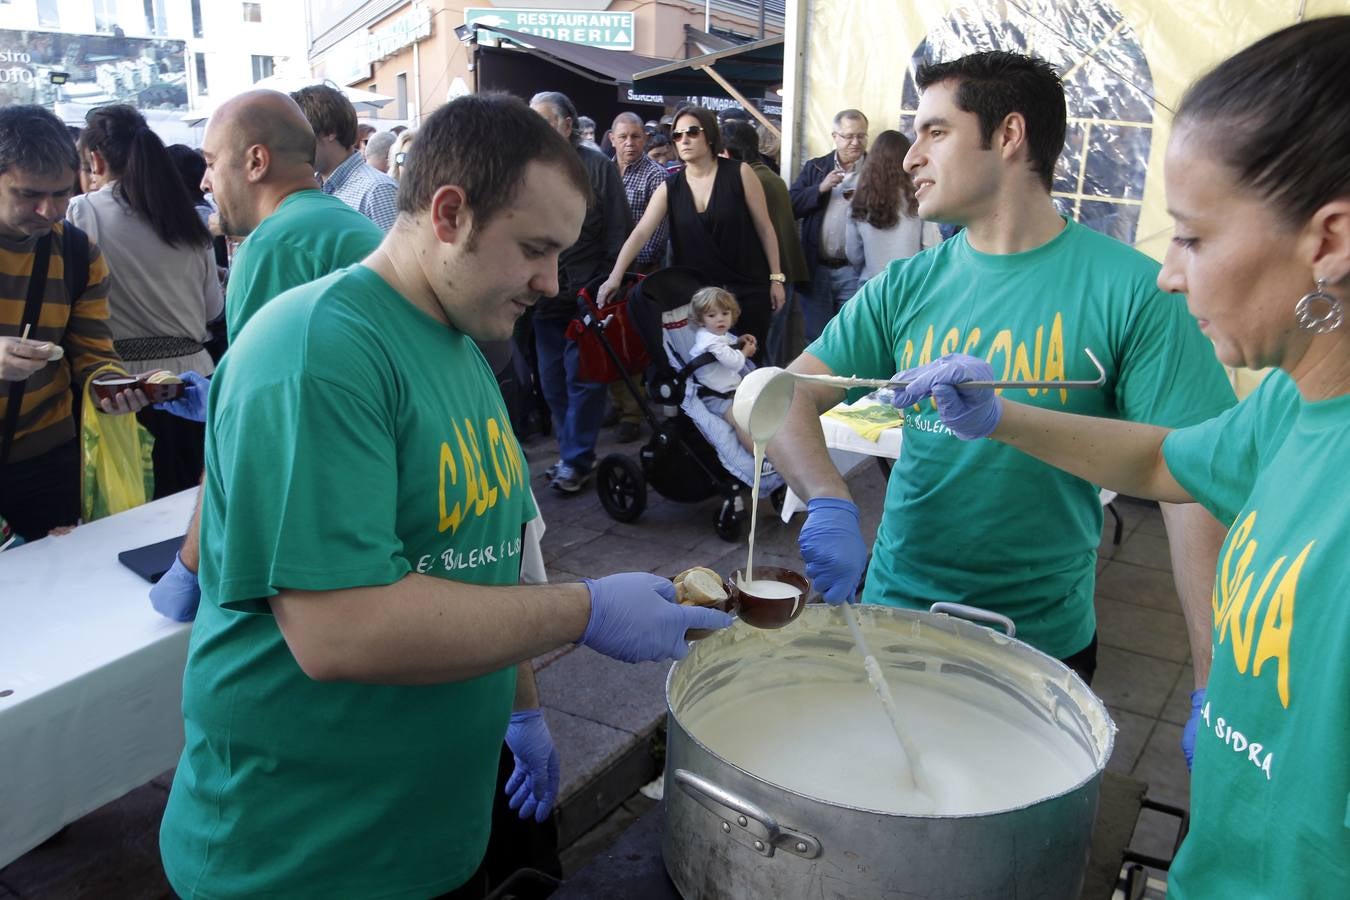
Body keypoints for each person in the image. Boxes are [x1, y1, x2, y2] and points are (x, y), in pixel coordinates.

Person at [156, 91, 732, 900]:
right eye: (535, 249)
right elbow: (337, 630)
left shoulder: (462, 346)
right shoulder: (319, 349)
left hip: (429, 839)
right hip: (302, 858)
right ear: (450, 213)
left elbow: (486, 562)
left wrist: (522, 707)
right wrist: (586, 610)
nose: (550, 281)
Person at [884, 19, 1350, 895]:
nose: (1169, 273)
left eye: (1194, 237)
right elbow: (1167, 463)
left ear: (1326, 242)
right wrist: (1002, 417)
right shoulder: (1291, 404)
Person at [767, 51, 1234, 687]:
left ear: (1009, 134)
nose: (910, 157)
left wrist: (1213, 684)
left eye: (936, 131)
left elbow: (1196, 484)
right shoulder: (905, 285)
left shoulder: (1135, 291)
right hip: (893, 616)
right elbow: (782, 395)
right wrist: (827, 497)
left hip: (1041, 643)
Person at [147, 90, 384, 623]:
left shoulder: (274, 245)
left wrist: (191, 563)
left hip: (328, 525)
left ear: (255, 161)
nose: (204, 182)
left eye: (210, 163)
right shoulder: (341, 224)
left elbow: (250, 428)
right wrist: (219, 394)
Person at [0, 105, 149, 541]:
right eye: (28, 194)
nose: (48, 211)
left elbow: (93, 352)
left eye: (62, 194)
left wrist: (112, 387)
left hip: (46, 462)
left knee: (59, 576)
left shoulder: (77, 253)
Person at [69, 105, 223, 498]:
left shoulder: (84, 211)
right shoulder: (187, 218)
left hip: (126, 391)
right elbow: (213, 310)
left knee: (134, 513)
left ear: (95, 159)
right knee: (194, 508)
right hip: (196, 388)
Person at [596, 107, 786, 355]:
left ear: (710, 136)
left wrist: (776, 279)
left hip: (747, 290)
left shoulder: (740, 173)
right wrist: (615, 276)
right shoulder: (671, 186)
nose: (684, 139)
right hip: (699, 299)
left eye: (692, 132)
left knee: (749, 364)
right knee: (704, 369)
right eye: (677, 135)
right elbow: (641, 232)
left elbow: (765, 227)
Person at [528, 91, 632, 494]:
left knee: (583, 380)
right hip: (542, 295)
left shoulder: (598, 166)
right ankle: (571, 453)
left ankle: (577, 459)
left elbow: (619, 228)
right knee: (552, 382)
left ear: (567, 125)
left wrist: (607, 281)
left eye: (544, 121)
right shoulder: (527, 166)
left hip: (586, 293)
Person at [722, 120, 808, 364]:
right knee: (769, 349)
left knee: (758, 354)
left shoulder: (751, 180)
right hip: (779, 277)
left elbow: (760, 233)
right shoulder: (769, 176)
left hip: (768, 281)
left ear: (727, 151)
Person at [607, 111, 670, 442]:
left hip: (640, 273)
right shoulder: (604, 170)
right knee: (607, 338)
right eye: (623, 137)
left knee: (631, 342)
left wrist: (625, 268)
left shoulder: (656, 175)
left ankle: (632, 412)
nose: (630, 143)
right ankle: (618, 404)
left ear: (645, 139)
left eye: (636, 136)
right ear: (612, 139)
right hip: (605, 272)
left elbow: (655, 235)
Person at [790, 108, 869, 340]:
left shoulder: (875, 170)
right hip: (817, 268)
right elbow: (791, 205)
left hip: (855, 270)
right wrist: (820, 188)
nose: (855, 142)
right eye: (848, 136)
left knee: (851, 337)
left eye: (861, 136)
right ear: (835, 136)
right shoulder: (816, 167)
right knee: (817, 338)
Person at [291, 84, 399, 232]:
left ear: (330, 131)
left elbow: (398, 248)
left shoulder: (377, 190)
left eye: (300, 134)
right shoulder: (314, 187)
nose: (294, 143)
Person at [845, 129, 941, 283]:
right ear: (906, 159)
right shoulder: (918, 197)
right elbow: (931, 246)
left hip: (871, 286)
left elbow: (853, 254)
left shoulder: (858, 200)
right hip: (909, 285)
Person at [688, 286, 757, 437]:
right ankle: (755, 450)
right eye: (712, 315)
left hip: (732, 391)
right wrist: (745, 352)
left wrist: (739, 341)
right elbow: (734, 362)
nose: (720, 319)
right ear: (700, 320)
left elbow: (726, 346)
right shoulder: (710, 341)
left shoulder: (715, 334)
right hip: (717, 397)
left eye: (725, 313)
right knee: (741, 422)